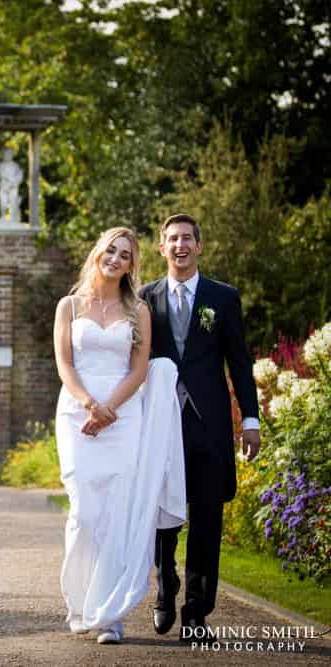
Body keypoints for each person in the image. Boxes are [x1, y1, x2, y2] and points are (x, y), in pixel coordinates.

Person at [53, 227, 187, 645]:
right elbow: (65, 364)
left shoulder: (138, 310)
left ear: (132, 265)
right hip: (77, 414)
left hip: (124, 417)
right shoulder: (69, 306)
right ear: (97, 253)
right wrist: (91, 406)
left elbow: (139, 367)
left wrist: (110, 409)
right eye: (110, 250)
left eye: (125, 254)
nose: (115, 258)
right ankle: (78, 603)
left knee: (117, 514)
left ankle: (109, 614)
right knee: (84, 515)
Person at [139, 213, 261, 641]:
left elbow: (240, 363)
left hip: (208, 425)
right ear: (161, 247)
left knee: (208, 518)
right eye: (172, 239)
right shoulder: (144, 298)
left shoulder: (223, 298)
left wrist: (250, 419)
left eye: (187, 238)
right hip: (160, 424)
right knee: (161, 516)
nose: (180, 245)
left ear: (199, 246)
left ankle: (196, 611)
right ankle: (164, 590)